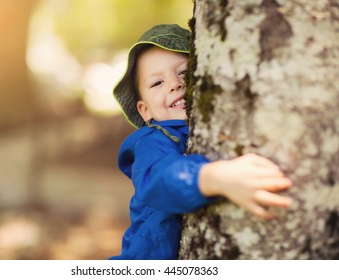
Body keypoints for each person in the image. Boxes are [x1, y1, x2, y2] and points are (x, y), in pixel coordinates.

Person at [110, 24, 293, 260]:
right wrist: (214, 177)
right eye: (157, 83)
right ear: (144, 110)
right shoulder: (152, 140)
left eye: (184, 73)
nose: (175, 84)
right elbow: (155, 179)